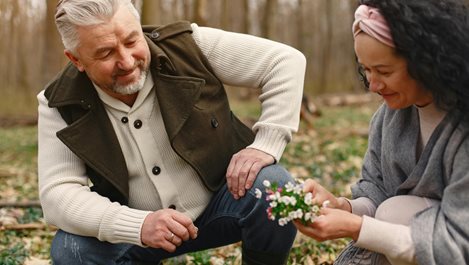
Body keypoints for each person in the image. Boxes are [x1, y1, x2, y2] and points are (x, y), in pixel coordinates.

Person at [37, 0, 306, 264]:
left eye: (132, 41)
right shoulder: (58, 103)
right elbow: (58, 194)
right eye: (106, 53)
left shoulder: (188, 46)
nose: (127, 61)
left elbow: (285, 61)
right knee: (71, 250)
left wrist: (266, 143)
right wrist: (138, 225)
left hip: (222, 204)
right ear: (76, 59)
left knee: (276, 187)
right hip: (135, 234)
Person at [294, 0, 469, 264]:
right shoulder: (389, 118)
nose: (373, 85)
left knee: (394, 214)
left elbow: (457, 244)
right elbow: (378, 193)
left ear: (425, 61)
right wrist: (342, 207)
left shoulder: (462, 128)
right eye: (366, 69)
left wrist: (356, 228)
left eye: (384, 71)